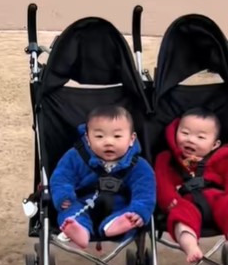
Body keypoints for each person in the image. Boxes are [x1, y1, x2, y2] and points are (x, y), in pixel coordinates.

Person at [50, 105, 155, 249]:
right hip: (82, 203)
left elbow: (145, 192)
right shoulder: (75, 156)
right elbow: (62, 177)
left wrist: (139, 211)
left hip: (119, 207)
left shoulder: (138, 165)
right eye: (99, 136)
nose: (108, 142)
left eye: (117, 136)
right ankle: (80, 230)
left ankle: (115, 225)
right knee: (69, 212)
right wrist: (64, 195)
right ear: (87, 138)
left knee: (131, 215)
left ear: (131, 139)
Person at [155, 108, 228, 264]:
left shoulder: (224, 157)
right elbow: (162, 181)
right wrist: (169, 199)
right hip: (185, 200)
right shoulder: (167, 159)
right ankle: (190, 245)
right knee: (180, 215)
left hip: (217, 197)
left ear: (215, 145)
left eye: (200, 137)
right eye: (185, 133)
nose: (190, 140)